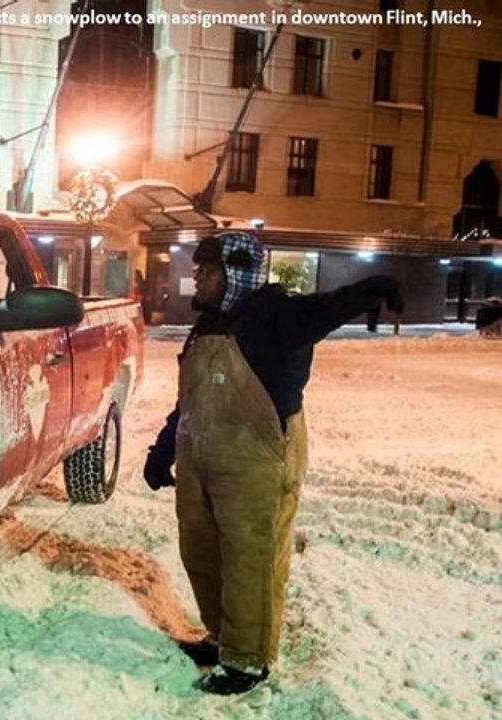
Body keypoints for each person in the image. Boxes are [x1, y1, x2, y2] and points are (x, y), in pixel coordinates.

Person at [143, 231, 404, 695]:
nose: (196, 279)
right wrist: (164, 449)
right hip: (201, 453)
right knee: (201, 553)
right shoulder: (208, 325)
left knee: (251, 559)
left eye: (206, 271)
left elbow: (322, 309)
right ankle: (223, 636)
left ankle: (248, 659)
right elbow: (189, 396)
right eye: (198, 270)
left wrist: (369, 290)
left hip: (256, 458)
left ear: (235, 273)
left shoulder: (276, 314)